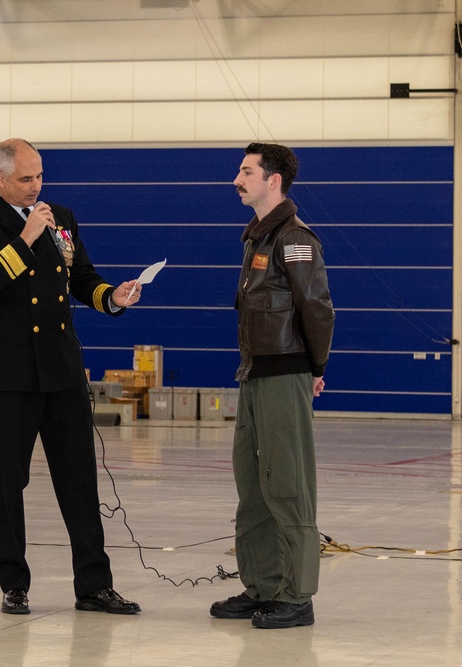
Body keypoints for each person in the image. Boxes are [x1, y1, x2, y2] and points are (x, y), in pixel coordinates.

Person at [0, 138, 143, 615]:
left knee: (80, 481)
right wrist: (25, 239)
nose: (36, 187)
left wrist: (111, 297)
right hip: (13, 376)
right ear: (0, 179)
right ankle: (14, 583)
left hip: (61, 372)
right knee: (9, 483)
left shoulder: (61, 217)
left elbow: (81, 277)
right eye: (25, 179)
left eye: (40, 177)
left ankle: (94, 585)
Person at [210, 142, 334, 629]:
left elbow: (317, 308)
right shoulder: (255, 238)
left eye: (246, 171)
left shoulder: (295, 238)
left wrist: (313, 367)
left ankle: (296, 594)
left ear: (273, 180)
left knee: (288, 484)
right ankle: (261, 585)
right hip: (255, 374)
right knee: (252, 485)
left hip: (285, 373)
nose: (236, 179)